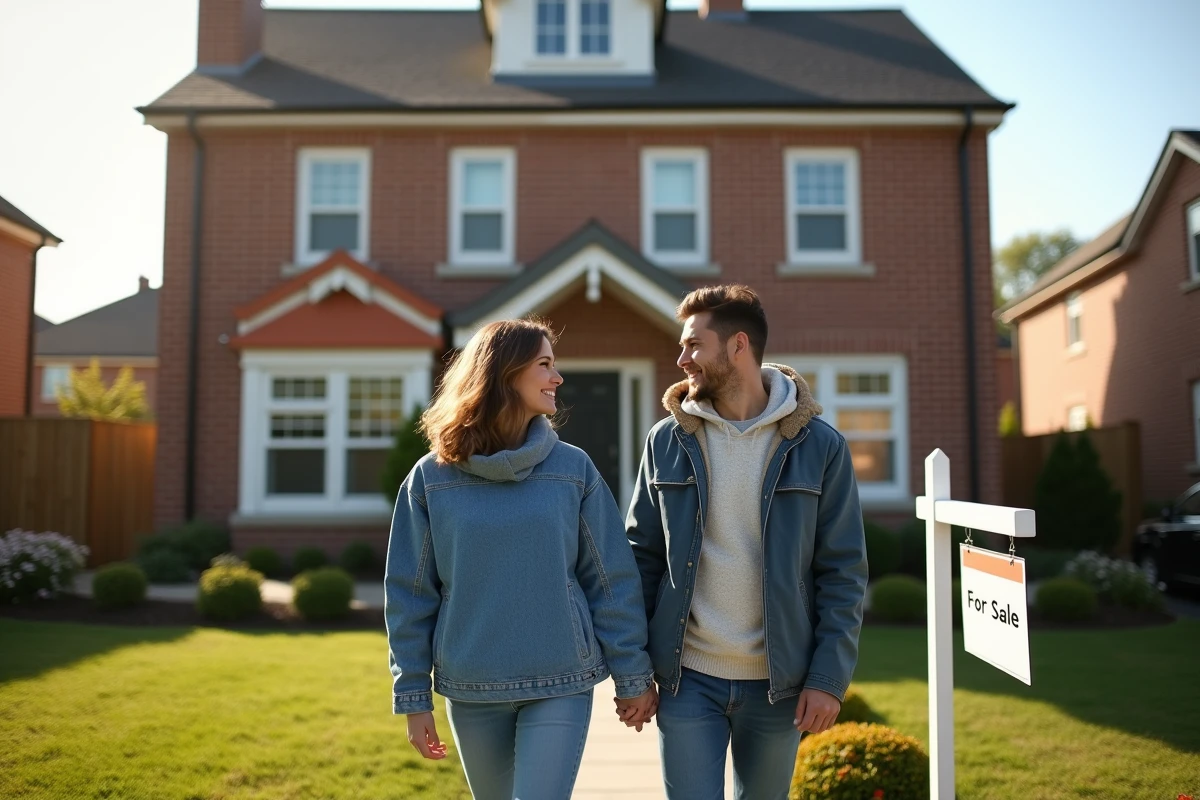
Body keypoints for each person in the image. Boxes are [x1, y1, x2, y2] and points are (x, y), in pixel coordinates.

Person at [385, 318, 657, 800]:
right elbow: (410, 594)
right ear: (504, 373)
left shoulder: (574, 469)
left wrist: (632, 674)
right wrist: (412, 696)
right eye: (545, 365)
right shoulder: (431, 478)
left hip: (560, 679)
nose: (558, 378)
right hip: (472, 685)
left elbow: (611, 580)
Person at [626, 285, 868, 800]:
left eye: (694, 345)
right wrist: (634, 670)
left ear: (738, 345)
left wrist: (828, 678)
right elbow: (639, 560)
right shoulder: (666, 441)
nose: (681, 358)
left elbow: (843, 572)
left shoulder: (819, 447)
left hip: (778, 686)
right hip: (687, 677)